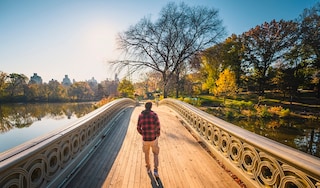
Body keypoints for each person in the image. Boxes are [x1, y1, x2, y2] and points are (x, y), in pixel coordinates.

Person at [137, 101, 161, 177]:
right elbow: (158, 126)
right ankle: (156, 170)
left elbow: (138, 127)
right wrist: (157, 134)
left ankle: (148, 168)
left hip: (145, 139)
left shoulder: (141, 115)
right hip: (153, 138)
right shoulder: (154, 115)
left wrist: (143, 134)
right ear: (151, 107)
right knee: (155, 154)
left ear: (145, 107)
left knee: (146, 153)